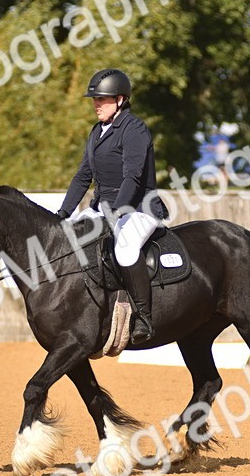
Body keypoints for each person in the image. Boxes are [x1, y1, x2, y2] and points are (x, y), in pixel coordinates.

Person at [57, 68, 169, 344]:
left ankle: (143, 316)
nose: (96, 104)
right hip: (102, 206)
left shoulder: (135, 130)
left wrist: (115, 214)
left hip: (138, 208)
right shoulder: (97, 132)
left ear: (120, 100)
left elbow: (132, 177)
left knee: (125, 247)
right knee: (69, 238)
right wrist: (63, 214)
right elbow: (83, 176)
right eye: (95, 100)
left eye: (102, 100)